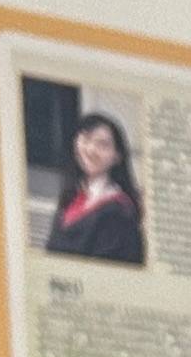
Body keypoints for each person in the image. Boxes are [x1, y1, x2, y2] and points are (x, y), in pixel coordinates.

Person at [44, 111, 143, 265]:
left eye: (102, 145)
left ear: (117, 156)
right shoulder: (73, 195)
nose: (90, 150)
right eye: (86, 139)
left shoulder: (119, 212)